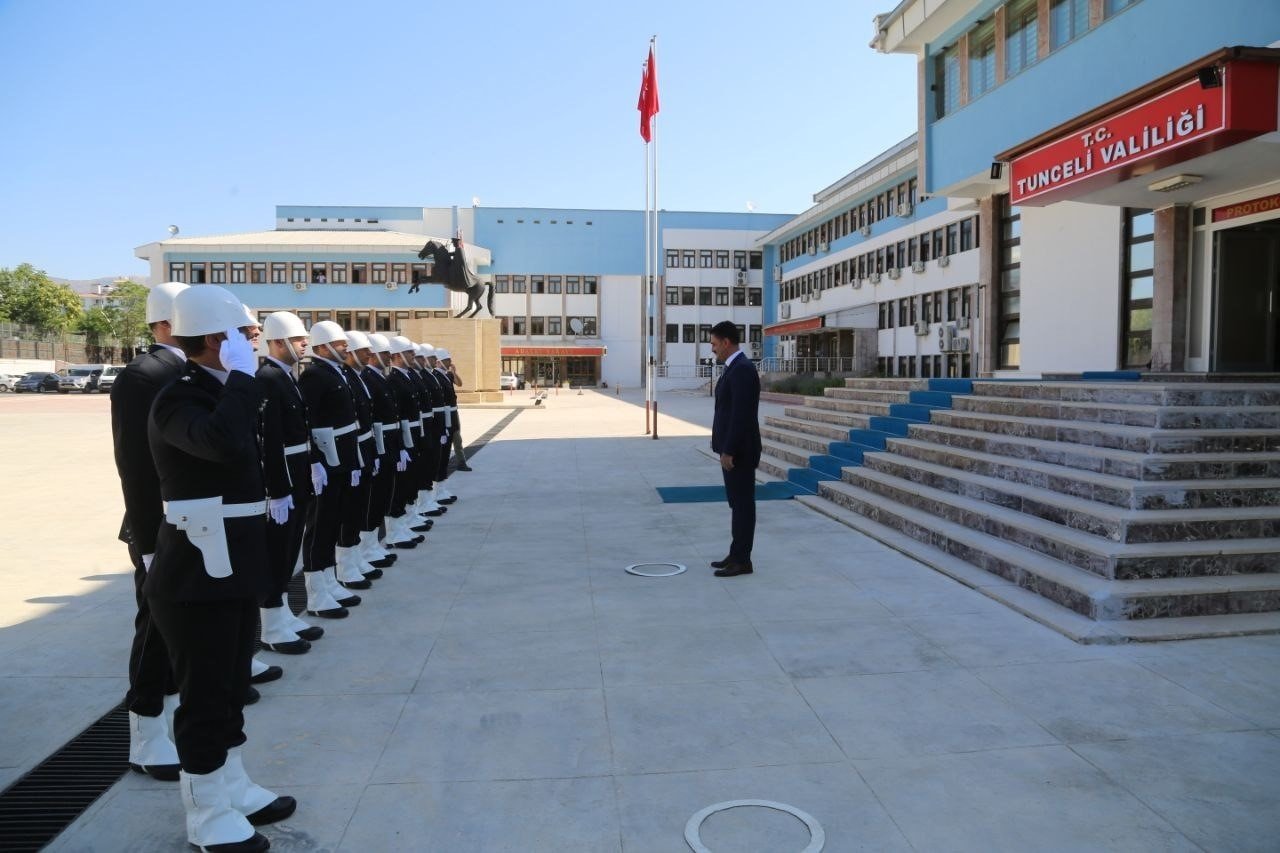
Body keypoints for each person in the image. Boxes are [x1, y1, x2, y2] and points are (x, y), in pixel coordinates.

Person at [145, 284, 295, 852]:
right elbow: (221, 444)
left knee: (232, 686)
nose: (255, 344)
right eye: (248, 335)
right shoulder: (179, 396)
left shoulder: (220, 390)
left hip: (232, 565)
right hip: (195, 575)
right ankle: (206, 814)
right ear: (216, 339)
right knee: (205, 695)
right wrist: (243, 381)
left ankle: (232, 784)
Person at [111, 280, 188, 782]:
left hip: (198, 519)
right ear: (162, 324)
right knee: (156, 628)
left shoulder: (195, 370)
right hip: (158, 522)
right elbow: (135, 467)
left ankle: (174, 716)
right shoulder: (144, 376)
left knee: (186, 630)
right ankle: (145, 732)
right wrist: (146, 541)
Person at [255, 312, 325, 654]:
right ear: (279, 342)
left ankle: (282, 614)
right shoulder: (268, 377)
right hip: (283, 477)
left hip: (297, 472)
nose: (305, 344)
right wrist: (277, 490)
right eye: (299, 340)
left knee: (289, 550)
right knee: (276, 553)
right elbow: (270, 440)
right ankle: (271, 627)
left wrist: (311, 464)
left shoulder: (286, 376)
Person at [297, 321, 364, 616]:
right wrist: (314, 462)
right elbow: (307, 422)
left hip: (342, 460)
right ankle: (315, 593)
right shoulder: (314, 375)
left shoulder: (337, 372)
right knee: (320, 525)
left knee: (333, 521)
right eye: (339, 344)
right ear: (322, 347)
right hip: (326, 462)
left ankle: (328, 579)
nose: (345, 347)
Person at [709, 320, 761, 577]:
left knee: (742, 505)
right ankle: (736, 553)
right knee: (736, 504)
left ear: (726, 343)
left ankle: (742, 560)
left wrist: (728, 450)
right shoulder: (734, 367)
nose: (713, 349)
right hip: (732, 449)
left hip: (739, 451)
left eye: (714, 344)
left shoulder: (741, 369)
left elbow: (741, 415)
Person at [436, 349, 471, 471]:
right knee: (445, 438)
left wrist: (454, 372)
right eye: (447, 360)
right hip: (443, 412)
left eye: (449, 360)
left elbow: (459, 383)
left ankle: (461, 462)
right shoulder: (435, 375)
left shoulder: (448, 375)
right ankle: (442, 464)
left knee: (457, 438)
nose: (449, 362)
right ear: (439, 362)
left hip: (453, 411)